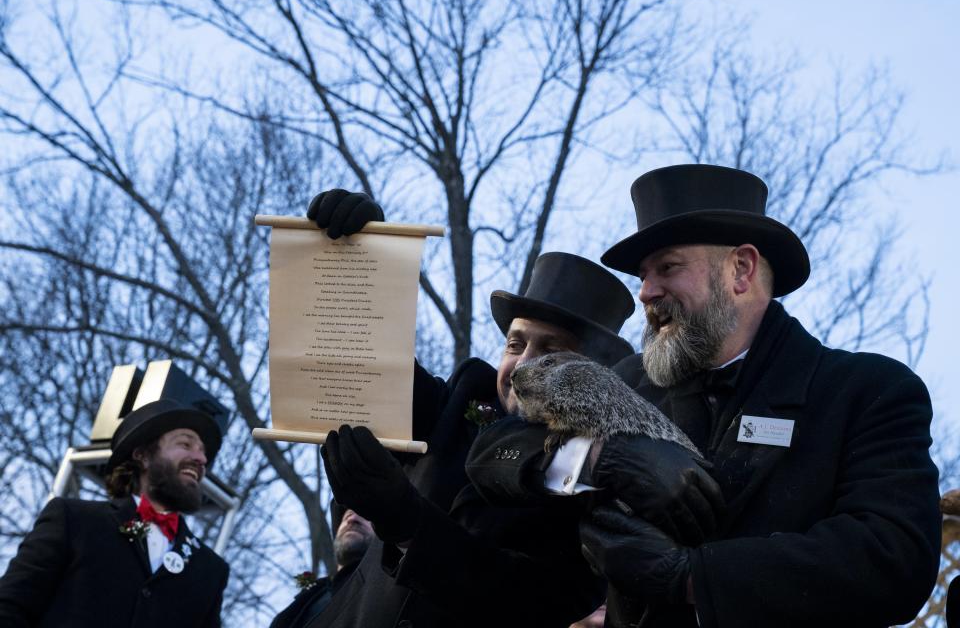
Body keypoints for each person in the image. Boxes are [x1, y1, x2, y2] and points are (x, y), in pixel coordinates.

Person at [466, 164, 942, 627]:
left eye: (667, 268)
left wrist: (691, 577)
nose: (647, 293)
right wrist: (598, 459)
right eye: (643, 276)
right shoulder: (629, 379)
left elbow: (892, 558)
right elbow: (493, 454)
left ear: (741, 269)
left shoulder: (864, 391)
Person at [301, 189, 658, 627]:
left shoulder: (600, 487)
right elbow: (374, 372)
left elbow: (526, 598)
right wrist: (362, 258)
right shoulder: (466, 398)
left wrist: (406, 519)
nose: (524, 364)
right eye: (516, 343)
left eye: (551, 351)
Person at [0, 398, 230, 627]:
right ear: (143, 456)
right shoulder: (74, 520)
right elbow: (10, 607)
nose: (201, 459)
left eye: (203, 452)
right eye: (185, 444)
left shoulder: (210, 570)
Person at [270, 505, 375, 628]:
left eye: (365, 515)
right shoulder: (301, 606)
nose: (352, 519)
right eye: (347, 516)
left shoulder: (391, 585)